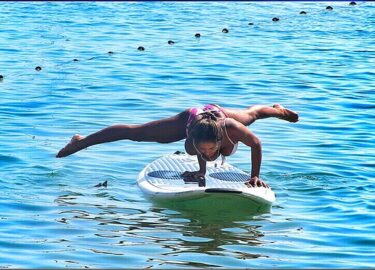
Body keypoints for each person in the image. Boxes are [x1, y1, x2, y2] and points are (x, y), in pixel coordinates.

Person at [56, 104, 298, 188]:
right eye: (202, 150)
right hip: (192, 118)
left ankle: (278, 110)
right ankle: (82, 141)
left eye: (211, 149)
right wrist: (202, 169)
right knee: (137, 134)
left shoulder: (232, 128)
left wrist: (255, 176)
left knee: (252, 115)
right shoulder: (191, 143)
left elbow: (256, 144)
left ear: (220, 141)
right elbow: (200, 150)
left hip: (218, 115)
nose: (207, 154)